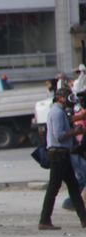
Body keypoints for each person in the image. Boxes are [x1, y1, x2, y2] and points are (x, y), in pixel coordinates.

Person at [39, 88, 86, 229]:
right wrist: (75, 132)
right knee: (54, 188)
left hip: (62, 154)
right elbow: (59, 135)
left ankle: (84, 219)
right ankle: (44, 220)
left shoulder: (60, 112)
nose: (69, 99)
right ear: (59, 97)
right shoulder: (57, 112)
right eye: (66, 96)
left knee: (72, 187)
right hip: (58, 154)